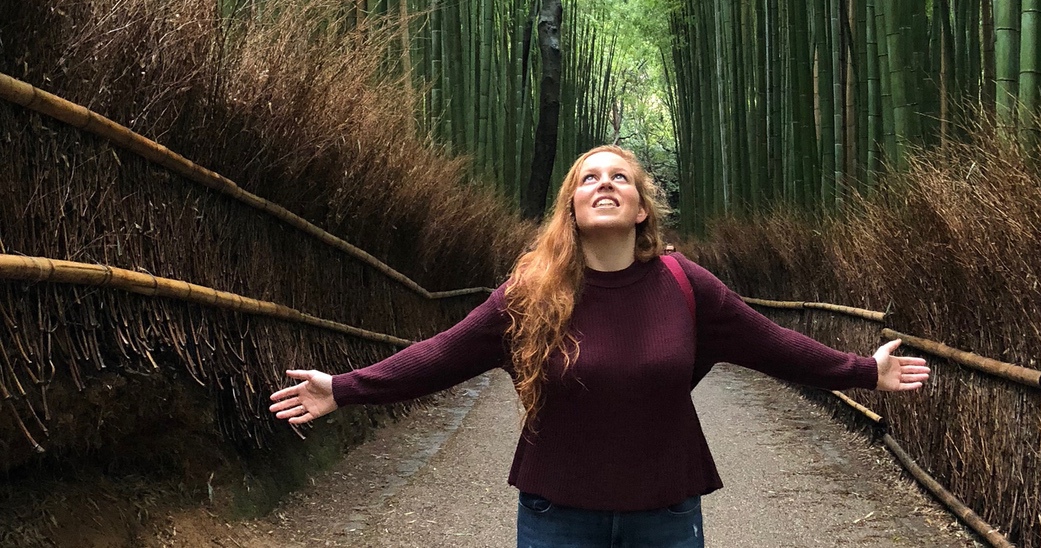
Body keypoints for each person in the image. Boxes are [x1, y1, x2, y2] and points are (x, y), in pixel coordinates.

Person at [269, 145, 930, 548]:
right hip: (558, 512)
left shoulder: (684, 283)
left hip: (666, 512)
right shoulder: (530, 292)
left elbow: (774, 344)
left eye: (621, 177)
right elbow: (443, 353)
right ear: (571, 208)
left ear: (643, 208)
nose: (606, 183)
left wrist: (866, 372)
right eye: (590, 178)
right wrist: (344, 388)